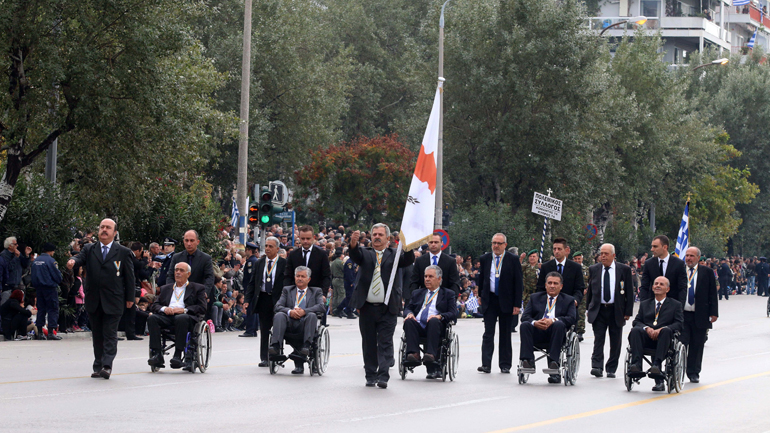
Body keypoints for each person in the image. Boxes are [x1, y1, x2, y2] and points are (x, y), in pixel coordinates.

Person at [67, 218, 136, 379]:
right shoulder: (90, 249)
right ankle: (98, 365)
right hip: (94, 299)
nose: (104, 230)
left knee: (110, 333)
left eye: (108, 228)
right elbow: (79, 259)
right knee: (97, 334)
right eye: (102, 227)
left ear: (114, 232)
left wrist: (130, 298)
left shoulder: (123, 252)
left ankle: (107, 365)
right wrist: (72, 261)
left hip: (114, 300)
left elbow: (130, 278)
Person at [349, 224, 415, 388]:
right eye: (374, 234)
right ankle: (370, 374)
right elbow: (355, 255)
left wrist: (407, 245)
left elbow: (408, 260)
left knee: (385, 342)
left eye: (380, 235)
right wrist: (353, 244)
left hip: (388, 307)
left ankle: (383, 376)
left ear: (388, 239)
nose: (377, 237)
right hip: (367, 307)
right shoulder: (366, 253)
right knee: (369, 342)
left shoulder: (394, 255)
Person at [476, 233, 523, 374]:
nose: (496, 246)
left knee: (505, 334)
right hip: (490, 300)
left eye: (499, 243)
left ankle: (505, 364)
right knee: (488, 333)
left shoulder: (512, 259)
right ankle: (486, 364)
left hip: (507, 301)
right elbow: (482, 278)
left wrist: (517, 304)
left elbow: (518, 283)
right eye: (494, 243)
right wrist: (480, 295)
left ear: (505, 245)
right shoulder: (485, 258)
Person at [147, 262, 208, 370]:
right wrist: (164, 308)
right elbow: (155, 305)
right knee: (152, 318)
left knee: (181, 318)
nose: (178, 272)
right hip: (167, 316)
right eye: (176, 270)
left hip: (186, 317)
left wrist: (184, 310)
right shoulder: (166, 288)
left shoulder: (197, 288)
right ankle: (157, 354)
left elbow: (202, 307)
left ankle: (178, 355)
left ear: (188, 274)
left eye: (181, 270)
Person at [586, 243, 634, 378]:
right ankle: (596, 366)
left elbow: (629, 291)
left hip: (616, 310)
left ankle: (611, 368)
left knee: (615, 340)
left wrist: (628, 311)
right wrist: (589, 308)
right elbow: (591, 290)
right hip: (599, 309)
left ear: (613, 255)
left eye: (606, 254)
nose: (603, 256)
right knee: (598, 339)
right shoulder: (594, 269)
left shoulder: (623, 270)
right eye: (601, 254)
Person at [627, 276, 683, 392]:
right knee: (636, 330)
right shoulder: (645, 304)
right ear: (652, 287)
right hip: (646, 338)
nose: (658, 286)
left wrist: (662, 329)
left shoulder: (675, 305)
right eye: (656, 283)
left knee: (667, 331)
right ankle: (636, 365)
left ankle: (656, 365)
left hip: (664, 339)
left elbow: (679, 324)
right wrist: (647, 328)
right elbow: (637, 321)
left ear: (667, 289)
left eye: (661, 284)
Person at [519, 272, 576, 384]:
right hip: (537, 332)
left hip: (556, 334)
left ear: (561, 286)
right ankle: (528, 361)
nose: (552, 286)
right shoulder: (535, 298)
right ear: (545, 285)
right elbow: (525, 317)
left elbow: (571, 318)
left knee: (559, 324)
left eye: (555, 283)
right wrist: (535, 322)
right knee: (525, 324)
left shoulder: (568, 300)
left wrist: (553, 320)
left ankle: (554, 362)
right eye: (549, 283)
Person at [403, 265, 457, 379]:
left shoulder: (448, 294)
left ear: (439, 279)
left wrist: (440, 316)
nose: (427, 279)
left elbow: (453, 313)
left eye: (430, 276)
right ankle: (414, 354)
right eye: (425, 276)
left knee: (433, 320)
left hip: (436, 325)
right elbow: (408, 308)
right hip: (418, 325)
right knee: (408, 321)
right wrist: (409, 314)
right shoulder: (417, 293)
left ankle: (431, 355)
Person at [270, 266, 325, 375]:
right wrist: (290, 312)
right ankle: (275, 347)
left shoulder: (316, 291)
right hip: (289, 323)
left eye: (302, 276)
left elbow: (321, 307)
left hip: (306, 323)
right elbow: (278, 306)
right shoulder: (287, 290)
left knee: (312, 315)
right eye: (297, 276)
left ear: (308, 279)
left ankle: (306, 347)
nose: (299, 278)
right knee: (280, 314)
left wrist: (305, 311)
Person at [244, 237, 286, 367]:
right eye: (266, 246)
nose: (267, 248)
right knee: (264, 329)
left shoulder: (284, 263)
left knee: (278, 328)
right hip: (262, 299)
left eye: (271, 246)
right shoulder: (259, 263)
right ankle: (264, 357)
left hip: (278, 299)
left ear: (277, 249)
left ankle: (277, 354)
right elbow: (253, 283)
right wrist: (247, 300)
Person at [681, 247, 718, 383]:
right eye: (687, 255)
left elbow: (712, 293)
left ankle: (694, 372)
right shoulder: (680, 271)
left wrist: (714, 313)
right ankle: (679, 369)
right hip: (683, 314)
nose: (689, 258)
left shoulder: (707, 272)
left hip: (700, 314)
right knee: (682, 343)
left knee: (697, 344)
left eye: (691, 256)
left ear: (698, 258)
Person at [165, 230, 215, 317]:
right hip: (178, 295)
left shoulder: (205, 258)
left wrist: (204, 292)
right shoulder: (177, 257)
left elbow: (209, 277)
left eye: (192, 241)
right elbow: (170, 275)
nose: (189, 243)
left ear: (197, 242)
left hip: (196, 296)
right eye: (186, 240)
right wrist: (170, 290)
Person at [536, 238, 585, 312]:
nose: (556, 251)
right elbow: (540, 287)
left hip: (568, 307)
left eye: (559, 249)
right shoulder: (546, 267)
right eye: (554, 249)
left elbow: (579, 288)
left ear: (566, 250)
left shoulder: (575, 267)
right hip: (549, 308)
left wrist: (575, 300)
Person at [284, 226, 331, 301]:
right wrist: (288, 293)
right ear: (299, 237)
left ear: (313, 237)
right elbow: (288, 275)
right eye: (303, 239)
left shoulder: (321, 254)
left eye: (308, 238)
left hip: (315, 294)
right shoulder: (293, 254)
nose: (305, 241)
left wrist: (323, 294)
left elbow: (326, 276)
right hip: (295, 295)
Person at [409, 233, 461, 298]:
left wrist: (450, 299)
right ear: (428, 243)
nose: (433, 244)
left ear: (442, 243)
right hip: (424, 299)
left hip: (444, 300)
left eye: (436, 242)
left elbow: (454, 283)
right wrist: (416, 297)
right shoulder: (420, 261)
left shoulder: (450, 261)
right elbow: (414, 281)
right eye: (431, 242)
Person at [639, 235, 687, 303]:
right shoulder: (649, 264)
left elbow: (682, 288)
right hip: (653, 306)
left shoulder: (679, 264)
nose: (652, 249)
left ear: (665, 247)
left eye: (655, 246)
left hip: (672, 306)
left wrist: (680, 308)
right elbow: (644, 287)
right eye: (652, 246)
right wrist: (644, 306)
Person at [31, 243, 63, 340]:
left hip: (39, 288)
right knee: (52, 309)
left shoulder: (36, 261)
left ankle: (40, 332)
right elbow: (57, 276)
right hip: (49, 288)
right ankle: (50, 332)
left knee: (41, 309)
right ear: (51, 251)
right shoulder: (51, 261)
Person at [238, 242, 261, 338]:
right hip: (254, 290)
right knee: (253, 309)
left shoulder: (251, 262)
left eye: (246, 250)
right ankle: (253, 329)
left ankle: (250, 330)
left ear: (249, 250)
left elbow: (250, 277)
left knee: (250, 309)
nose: (245, 252)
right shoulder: (255, 260)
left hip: (250, 289)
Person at [1, 237, 32, 304]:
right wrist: (16, 257)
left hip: (17, 284)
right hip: (8, 285)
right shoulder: (4, 255)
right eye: (15, 244)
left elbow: (25, 265)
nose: (17, 245)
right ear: (9, 246)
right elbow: (9, 268)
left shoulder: (17, 253)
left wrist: (26, 255)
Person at [572, 251, 590, 341]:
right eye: (575, 259)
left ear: (582, 259)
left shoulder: (586, 269)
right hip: (572, 293)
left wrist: (586, 290)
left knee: (581, 312)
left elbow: (591, 281)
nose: (577, 260)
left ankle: (580, 331)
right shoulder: (571, 268)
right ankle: (572, 329)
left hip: (583, 294)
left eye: (579, 259)